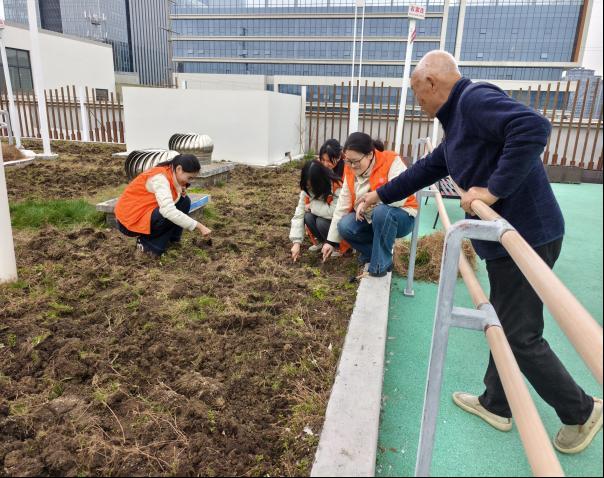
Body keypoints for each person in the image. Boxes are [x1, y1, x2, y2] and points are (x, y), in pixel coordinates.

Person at [357, 50, 602, 453]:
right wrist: (379, 195)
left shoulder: (473, 100)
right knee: (503, 321)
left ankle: (581, 411)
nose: (418, 103)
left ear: (432, 83)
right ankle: (497, 403)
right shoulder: (456, 124)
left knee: (520, 335)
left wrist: (493, 190)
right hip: (509, 239)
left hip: (526, 236)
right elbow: (428, 167)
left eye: (417, 94)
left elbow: (533, 127)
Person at [321, 132, 418, 277]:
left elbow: (399, 197)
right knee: (344, 226)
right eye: (348, 161)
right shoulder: (350, 169)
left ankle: (380, 265)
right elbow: (342, 205)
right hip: (370, 218)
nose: (352, 166)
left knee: (381, 212)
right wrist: (330, 241)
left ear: (370, 155)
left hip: (402, 216)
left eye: (355, 161)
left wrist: (370, 201)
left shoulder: (391, 161)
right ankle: (376, 254)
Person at [115, 154, 211, 256]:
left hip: (141, 213)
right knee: (167, 214)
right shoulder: (160, 178)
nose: (189, 182)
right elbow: (168, 211)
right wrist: (199, 226)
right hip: (128, 221)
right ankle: (147, 245)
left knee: (184, 201)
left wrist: (179, 189)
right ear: (179, 169)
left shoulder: (170, 173)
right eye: (189, 178)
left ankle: (172, 241)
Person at [289, 158, 349, 262]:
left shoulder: (336, 186)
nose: (310, 188)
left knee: (321, 222)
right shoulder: (306, 189)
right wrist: (296, 242)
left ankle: (336, 245)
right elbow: (299, 214)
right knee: (307, 216)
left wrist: (312, 206)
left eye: (313, 185)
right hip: (325, 220)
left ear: (321, 181)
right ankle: (323, 242)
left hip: (338, 225)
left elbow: (335, 212)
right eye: (308, 185)